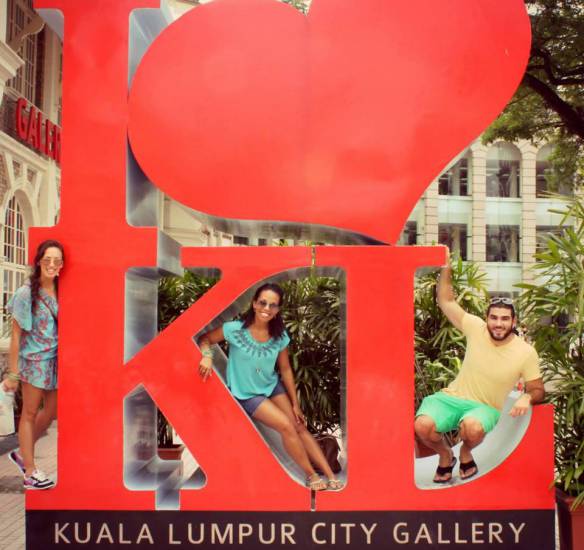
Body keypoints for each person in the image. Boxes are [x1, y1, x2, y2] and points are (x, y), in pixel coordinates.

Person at [198, 283, 343, 491]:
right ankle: (311, 475)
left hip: (271, 385)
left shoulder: (279, 336)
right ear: (254, 304)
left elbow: (285, 369)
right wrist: (207, 356)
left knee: (299, 425)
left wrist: (295, 404)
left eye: (273, 305)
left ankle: (329, 474)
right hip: (246, 393)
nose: (267, 308)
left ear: (278, 309)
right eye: (263, 302)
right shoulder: (234, 329)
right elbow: (205, 339)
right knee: (285, 425)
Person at [414, 263, 544, 483]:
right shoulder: (476, 328)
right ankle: (446, 455)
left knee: (472, 428)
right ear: (487, 318)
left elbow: (538, 388)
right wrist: (446, 266)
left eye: (505, 319)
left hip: (485, 407)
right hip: (452, 398)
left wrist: (527, 396)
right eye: (494, 318)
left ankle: (465, 452)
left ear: (513, 321)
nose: (498, 324)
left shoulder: (526, 352)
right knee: (422, 426)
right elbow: (446, 301)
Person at [2, 239, 64, 490]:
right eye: (47, 259)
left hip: (55, 361)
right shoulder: (26, 293)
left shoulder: (61, 289)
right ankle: (29, 471)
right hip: (33, 361)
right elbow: (16, 335)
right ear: (38, 262)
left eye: (57, 260)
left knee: (51, 412)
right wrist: (13, 373)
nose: (52, 264)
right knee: (28, 413)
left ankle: (22, 452)